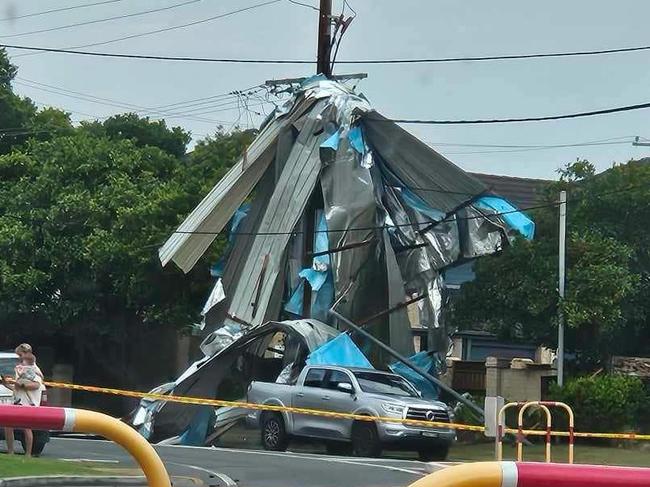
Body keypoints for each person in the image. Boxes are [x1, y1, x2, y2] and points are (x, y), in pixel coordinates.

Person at [2, 344, 44, 457]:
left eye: (20, 355)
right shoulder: (20, 368)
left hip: (28, 403)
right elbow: (18, 388)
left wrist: (18, 384)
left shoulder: (33, 369)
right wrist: (7, 384)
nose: (19, 357)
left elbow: (35, 385)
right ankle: (11, 452)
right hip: (18, 401)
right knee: (8, 425)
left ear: (27, 354)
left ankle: (28, 454)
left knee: (26, 427)